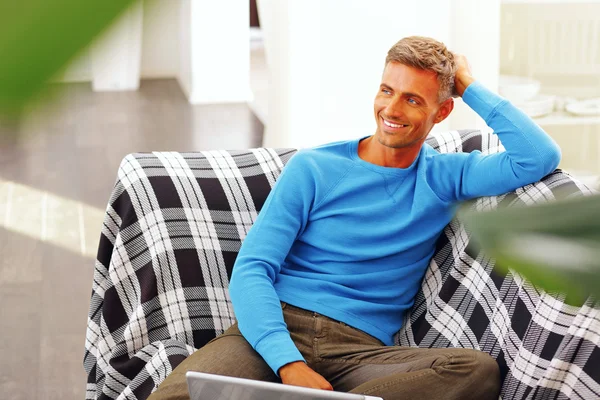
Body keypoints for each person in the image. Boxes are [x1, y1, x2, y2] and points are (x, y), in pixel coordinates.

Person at [149, 36, 561, 400]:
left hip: (361, 352)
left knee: (475, 372)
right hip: (277, 327)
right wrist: (288, 365)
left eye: (413, 99)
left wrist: (468, 85)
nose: (391, 108)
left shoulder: (445, 176)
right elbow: (253, 269)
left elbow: (538, 156)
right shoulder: (313, 168)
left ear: (442, 112)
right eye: (387, 90)